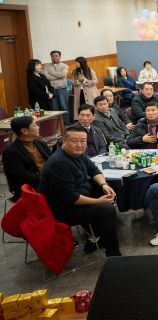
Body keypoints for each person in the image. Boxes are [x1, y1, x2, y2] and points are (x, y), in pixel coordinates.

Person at [40, 125, 121, 256]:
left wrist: (104, 185)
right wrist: (98, 201)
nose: (79, 145)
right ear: (64, 141)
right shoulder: (59, 163)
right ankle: (112, 253)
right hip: (64, 209)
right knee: (107, 210)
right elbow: (71, 197)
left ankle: (97, 235)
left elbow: (94, 170)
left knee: (110, 187)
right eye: (74, 141)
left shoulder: (78, 154)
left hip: (79, 194)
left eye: (83, 141)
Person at [2, 116, 51, 201]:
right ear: (24, 131)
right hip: (31, 186)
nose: (38, 127)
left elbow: (52, 160)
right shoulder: (10, 152)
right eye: (34, 125)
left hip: (48, 179)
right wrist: (47, 178)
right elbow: (21, 175)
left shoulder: (40, 143)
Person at [44, 50, 69, 119]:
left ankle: (66, 123)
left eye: (56, 56)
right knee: (54, 108)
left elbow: (62, 75)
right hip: (51, 90)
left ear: (60, 57)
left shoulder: (64, 66)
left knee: (64, 107)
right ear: (51, 57)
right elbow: (46, 76)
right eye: (52, 56)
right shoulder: (46, 66)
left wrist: (51, 73)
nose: (54, 57)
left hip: (62, 89)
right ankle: (56, 124)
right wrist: (58, 76)